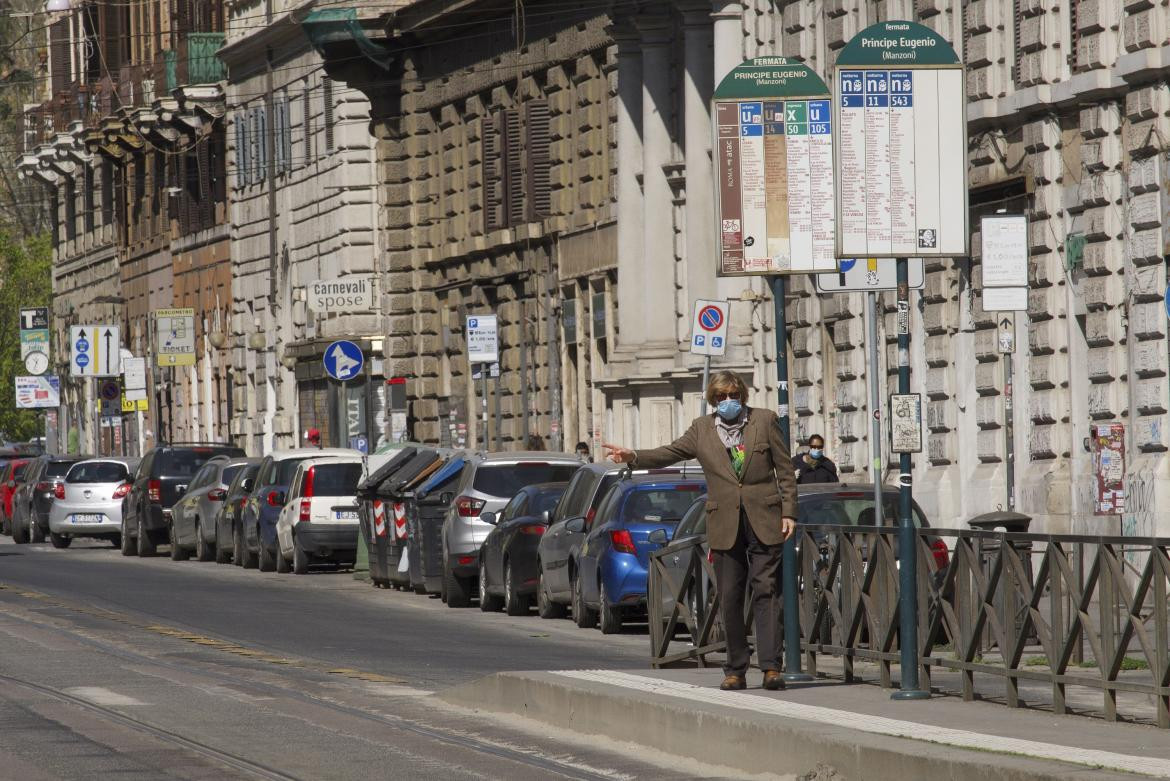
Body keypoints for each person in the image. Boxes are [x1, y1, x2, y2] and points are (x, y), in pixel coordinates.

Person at [603, 371, 797, 692]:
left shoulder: (763, 421)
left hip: (764, 517)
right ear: (712, 400)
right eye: (721, 397)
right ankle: (735, 668)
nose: (728, 402)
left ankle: (772, 667)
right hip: (723, 522)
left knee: (767, 592)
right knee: (730, 596)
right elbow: (670, 452)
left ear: (742, 396)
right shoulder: (702, 429)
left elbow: (785, 469)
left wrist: (789, 511)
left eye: (733, 395)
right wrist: (633, 456)